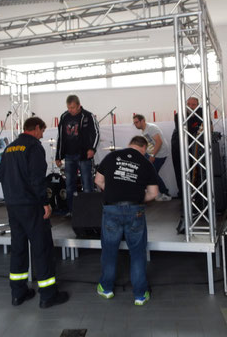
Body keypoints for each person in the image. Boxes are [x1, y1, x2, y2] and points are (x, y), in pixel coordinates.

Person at [0, 116, 69, 309]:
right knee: (42, 248)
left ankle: (18, 293)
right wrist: (45, 203)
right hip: (31, 206)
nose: (42, 135)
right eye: (42, 131)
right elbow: (37, 179)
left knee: (18, 248)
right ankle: (48, 295)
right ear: (36, 128)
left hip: (13, 206)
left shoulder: (9, 148)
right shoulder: (34, 147)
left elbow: (0, 175)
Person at [94, 136, 159, 305]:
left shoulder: (111, 157)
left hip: (111, 209)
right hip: (135, 210)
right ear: (144, 148)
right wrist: (137, 198)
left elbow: (98, 180)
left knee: (109, 251)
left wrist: (113, 191)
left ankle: (106, 289)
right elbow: (153, 193)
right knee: (137, 253)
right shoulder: (146, 163)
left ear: (130, 144)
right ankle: (140, 295)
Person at [55, 95, 100, 215]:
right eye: (68, 107)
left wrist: (92, 149)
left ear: (79, 105)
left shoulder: (88, 116)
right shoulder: (64, 116)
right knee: (69, 185)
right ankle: (72, 210)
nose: (70, 110)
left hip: (84, 156)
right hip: (69, 156)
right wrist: (58, 156)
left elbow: (96, 133)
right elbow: (60, 137)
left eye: (73, 107)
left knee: (87, 185)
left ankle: (89, 212)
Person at [132, 114, 172, 201]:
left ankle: (165, 193)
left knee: (153, 174)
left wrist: (153, 155)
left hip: (160, 154)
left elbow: (159, 142)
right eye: (134, 123)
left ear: (143, 120)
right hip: (151, 153)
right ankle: (153, 192)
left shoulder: (151, 128)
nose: (135, 124)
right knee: (148, 173)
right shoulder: (143, 131)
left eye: (136, 122)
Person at [171, 97, 203, 198]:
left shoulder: (202, 112)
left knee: (196, 169)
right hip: (179, 146)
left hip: (195, 145)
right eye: (188, 104)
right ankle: (183, 195)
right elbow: (185, 131)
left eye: (193, 105)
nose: (190, 106)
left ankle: (197, 195)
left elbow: (209, 126)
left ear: (197, 105)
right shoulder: (179, 115)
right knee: (181, 170)